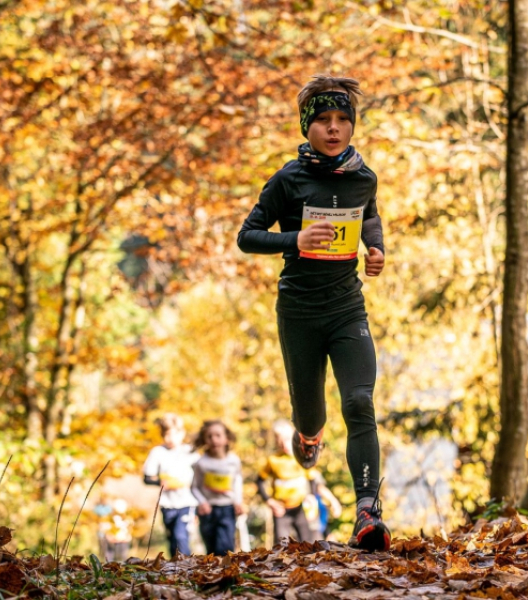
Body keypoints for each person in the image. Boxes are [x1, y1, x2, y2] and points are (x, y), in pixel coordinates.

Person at [237, 74, 390, 551]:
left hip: (347, 308)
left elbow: (369, 213)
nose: (334, 128)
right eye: (323, 119)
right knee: (311, 412)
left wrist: (376, 248)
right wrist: (295, 240)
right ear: (308, 126)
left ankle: (367, 511)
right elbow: (248, 235)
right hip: (300, 312)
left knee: (360, 402)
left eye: (343, 119)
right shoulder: (289, 179)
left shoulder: (364, 175)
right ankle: (308, 435)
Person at [142, 413, 199, 557]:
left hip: (187, 502)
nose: (170, 439)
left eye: (173, 434)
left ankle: (186, 567)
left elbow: (201, 474)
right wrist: (159, 482)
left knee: (181, 535)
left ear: (181, 433)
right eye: (166, 435)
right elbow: (147, 478)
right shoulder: (157, 452)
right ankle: (174, 570)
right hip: (167, 503)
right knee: (172, 538)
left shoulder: (190, 452)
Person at [256, 419, 319, 545]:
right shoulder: (273, 460)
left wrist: (312, 496)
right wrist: (269, 501)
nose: (284, 444)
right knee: (281, 545)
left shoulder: (302, 458)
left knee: (308, 543)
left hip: (300, 508)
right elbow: (259, 481)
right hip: (281, 510)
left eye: (287, 439)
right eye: (280, 440)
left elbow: (312, 479)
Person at [191, 419, 244, 556]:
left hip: (227, 508)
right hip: (208, 511)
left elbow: (237, 481)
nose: (214, 440)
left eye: (218, 435)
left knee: (225, 546)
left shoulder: (233, 461)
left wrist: (238, 501)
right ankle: (213, 575)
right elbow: (194, 487)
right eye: (209, 436)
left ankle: (227, 572)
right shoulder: (201, 463)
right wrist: (202, 502)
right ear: (204, 440)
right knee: (212, 547)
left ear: (226, 438)